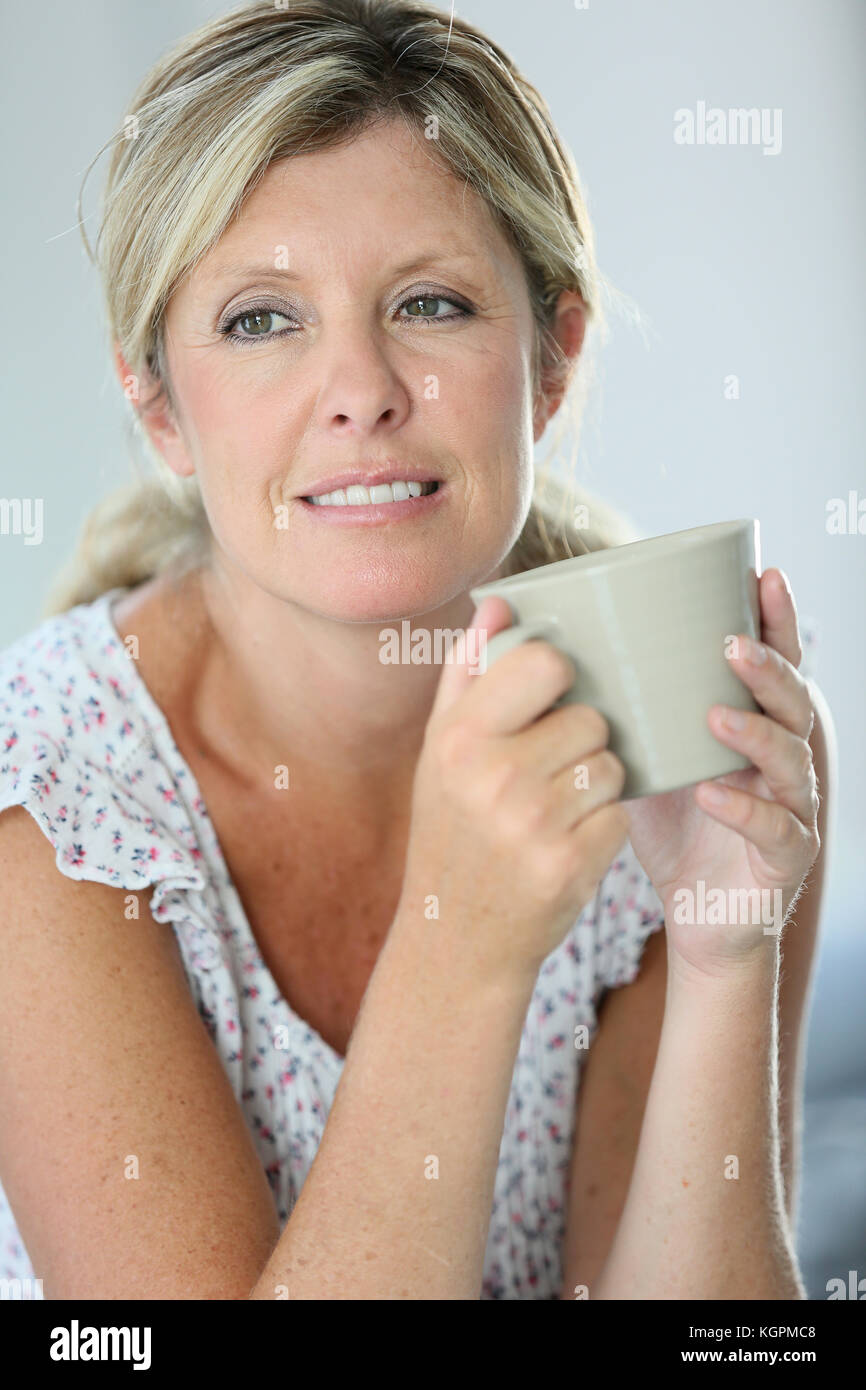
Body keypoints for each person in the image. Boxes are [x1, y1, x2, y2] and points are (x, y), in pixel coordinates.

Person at [0, 0, 832, 1300]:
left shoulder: (680, 719)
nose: (361, 388)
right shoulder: (44, 805)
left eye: (430, 303)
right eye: (262, 319)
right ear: (157, 403)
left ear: (552, 360)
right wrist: (463, 940)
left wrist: (728, 953)